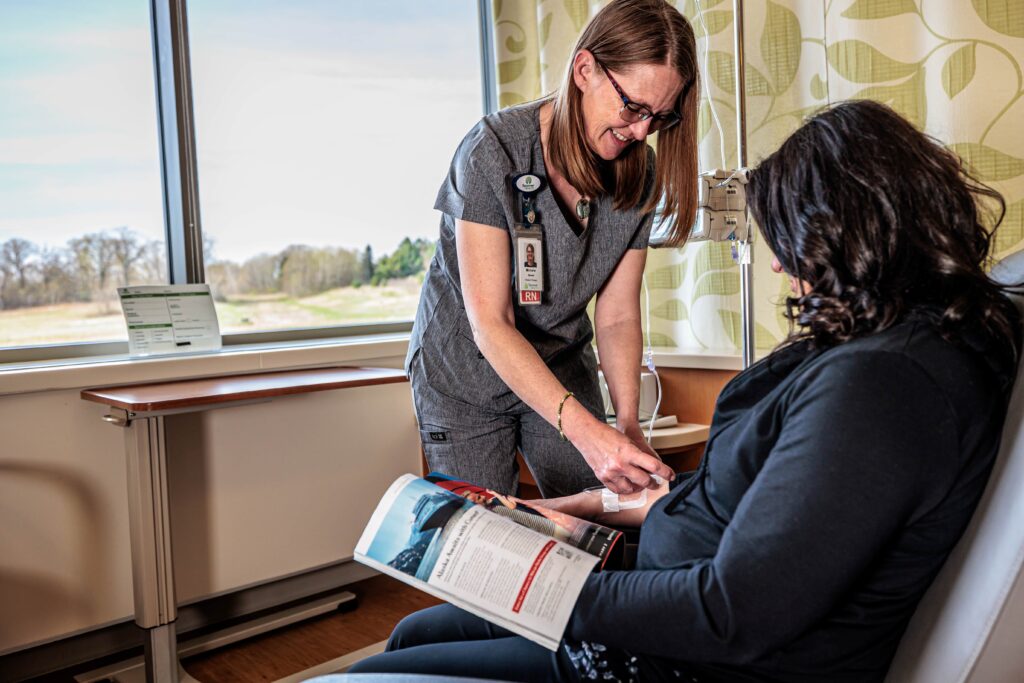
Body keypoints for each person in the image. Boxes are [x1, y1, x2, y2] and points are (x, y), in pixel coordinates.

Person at [351, 100, 1021, 682]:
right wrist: (592, 504)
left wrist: (538, 587)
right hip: (672, 609)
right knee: (419, 633)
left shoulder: (885, 387)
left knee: (399, 651)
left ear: (850, 228)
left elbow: (731, 613)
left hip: (688, 663)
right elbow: (774, 509)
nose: (782, 262)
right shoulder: (885, 338)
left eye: (788, 240)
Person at [406, 0, 700, 498]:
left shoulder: (640, 172)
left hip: (561, 359)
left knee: (604, 512)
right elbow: (490, 324)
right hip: (464, 374)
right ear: (585, 70)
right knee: (482, 532)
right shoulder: (492, 151)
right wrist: (589, 436)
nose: (642, 132)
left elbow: (618, 315)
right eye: (633, 107)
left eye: (660, 116)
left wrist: (626, 424)